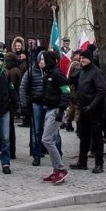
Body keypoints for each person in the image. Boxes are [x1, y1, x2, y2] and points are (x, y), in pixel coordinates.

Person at [73, 47, 106, 173]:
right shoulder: (82, 71)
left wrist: (92, 106)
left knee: (97, 138)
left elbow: (102, 91)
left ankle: (99, 164)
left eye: (85, 58)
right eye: (81, 58)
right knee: (84, 136)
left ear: (90, 59)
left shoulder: (96, 72)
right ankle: (82, 162)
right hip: (84, 109)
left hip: (95, 110)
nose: (82, 60)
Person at [38, 48, 70, 185]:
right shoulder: (47, 73)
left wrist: (61, 111)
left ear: (49, 61)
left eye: (43, 59)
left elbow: (66, 92)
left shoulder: (57, 74)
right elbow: (48, 94)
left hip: (56, 110)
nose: (40, 62)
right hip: (49, 109)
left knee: (46, 139)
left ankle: (61, 168)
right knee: (50, 139)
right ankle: (56, 169)